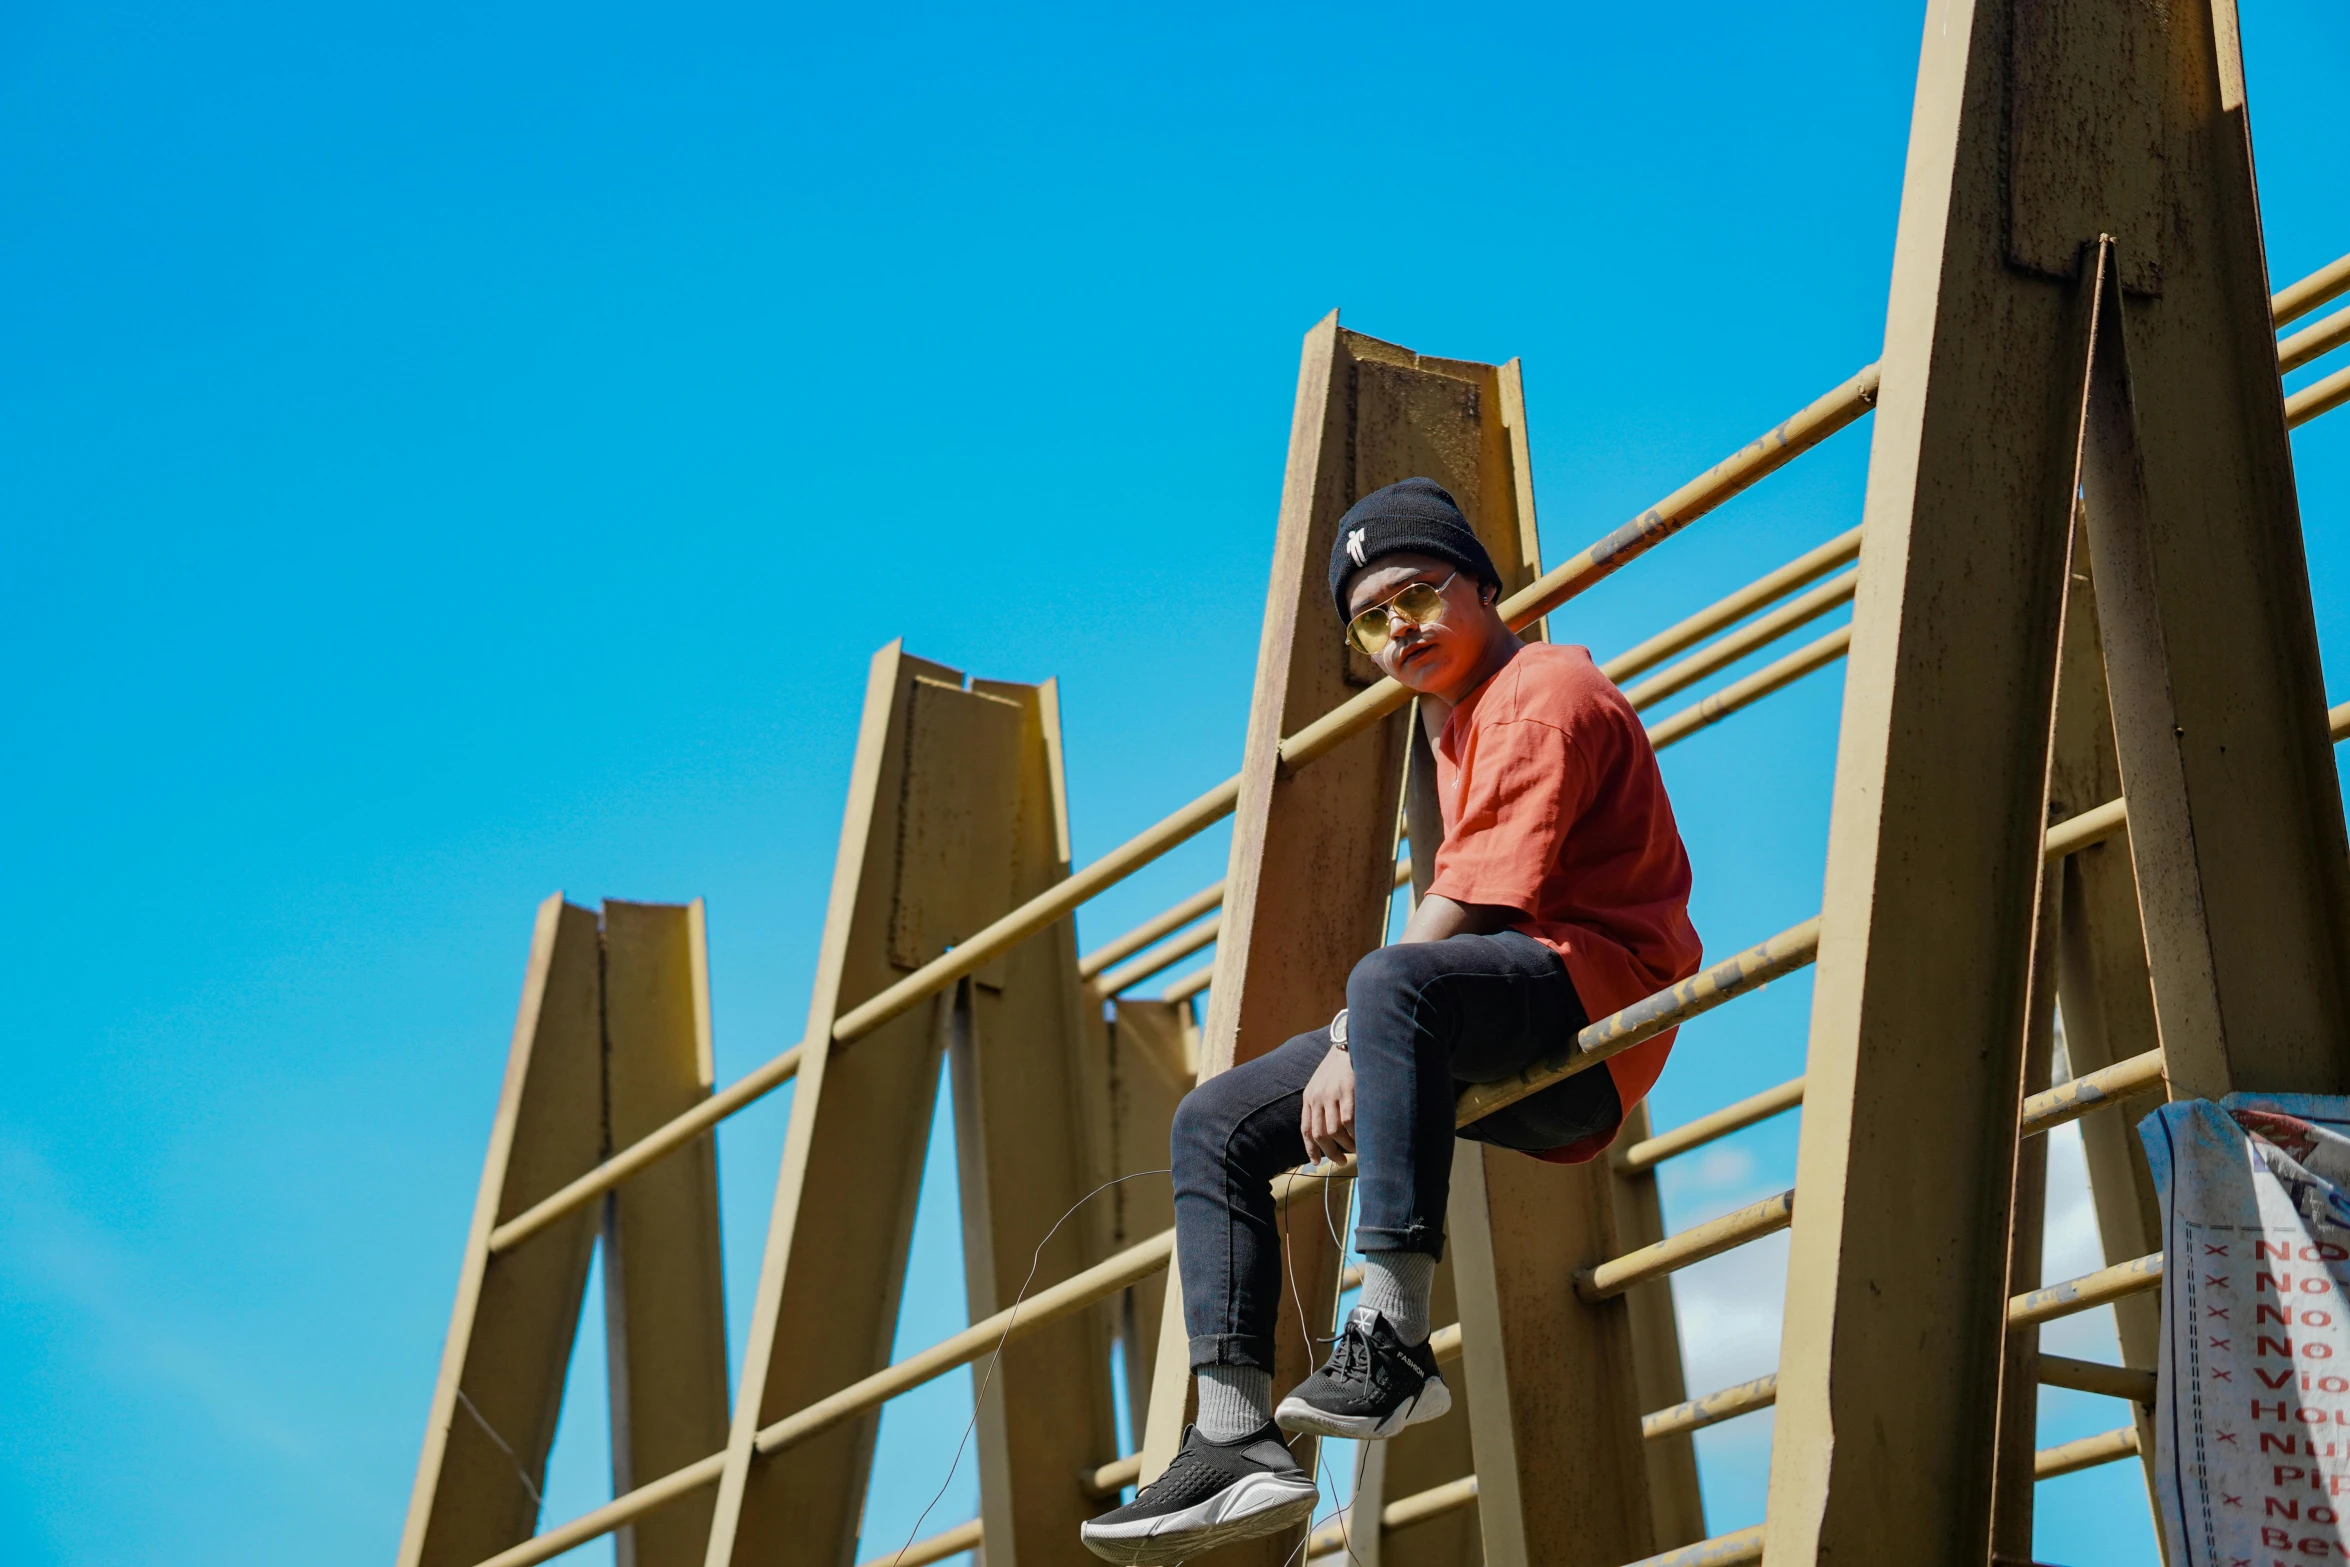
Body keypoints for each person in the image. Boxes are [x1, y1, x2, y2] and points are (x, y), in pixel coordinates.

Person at [1080, 477, 1703, 1564]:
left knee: (1387, 980)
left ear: (1482, 586)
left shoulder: (1544, 688)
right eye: (1369, 619)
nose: (1395, 629)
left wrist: (1344, 1040)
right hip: (1496, 1014)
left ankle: (1395, 1340)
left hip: (1597, 1004)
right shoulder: (1452, 722)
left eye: (1416, 594)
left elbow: (1480, 898)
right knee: (1214, 1123)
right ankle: (1234, 1441)